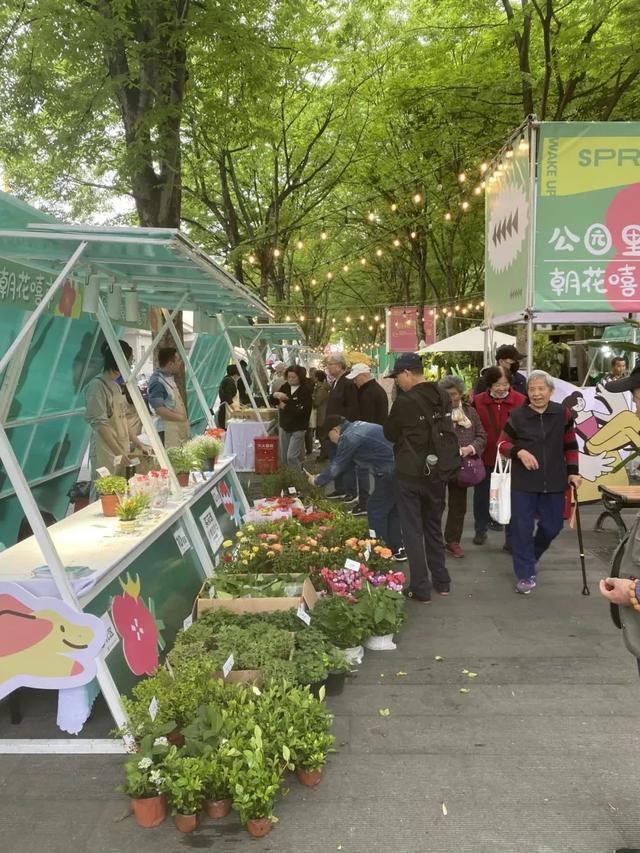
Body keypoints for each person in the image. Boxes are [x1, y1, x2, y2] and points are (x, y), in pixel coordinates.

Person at [499, 370, 581, 594]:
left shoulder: (562, 414)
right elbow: (502, 445)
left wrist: (573, 472)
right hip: (523, 483)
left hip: (554, 480)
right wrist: (519, 452)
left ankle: (531, 555)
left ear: (550, 391)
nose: (536, 394)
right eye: (532, 389)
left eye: (541, 389)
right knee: (522, 529)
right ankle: (525, 574)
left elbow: (571, 446)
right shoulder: (517, 416)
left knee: (552, 526)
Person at [383, 352, 453, 601]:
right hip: (438, 472)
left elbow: (390, 433)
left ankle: (421, 587)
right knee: (433, 527)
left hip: (410, 473)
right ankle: (442, 581)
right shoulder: (443, 395)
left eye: (397, 377)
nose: (397, 382)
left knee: (412, 530)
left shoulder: (405, 401)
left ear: (407, 374)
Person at [308, 415, 404, 559]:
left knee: (375, 508)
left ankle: (379, 552)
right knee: (391, 509)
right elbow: (347, 463)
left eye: (329, 437)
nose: (332, 442)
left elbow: (337, 466)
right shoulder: (358, 425)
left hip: (388, 471)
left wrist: (317, 481)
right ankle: (397, 549)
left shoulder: (349, 436)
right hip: (400, 467)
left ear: (335, 430)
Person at [472, 366, 527, 548]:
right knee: (482, 495)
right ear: (489, 385)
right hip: (485, 457)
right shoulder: (478, 401)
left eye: (505, 384)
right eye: (497, 384)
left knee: (511, 498)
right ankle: (480, 530)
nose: (501, 388)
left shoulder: (521, 401)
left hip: (512, 457)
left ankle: (511, 539)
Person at [84, 340, 148, 483]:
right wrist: (119, 452)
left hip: (120, 450)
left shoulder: (116, 386)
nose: (131, 364)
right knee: (104, 493)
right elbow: (100, 425)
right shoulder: (97, 387)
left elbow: (123, 420)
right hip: (105, 450)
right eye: (130, 360)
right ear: (119, 359)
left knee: (121, 492)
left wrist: (138, 444)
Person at [438, 376, 486, 558]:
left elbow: (482, 436)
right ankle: (433, 540)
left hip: (462, 465)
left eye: (454, 394)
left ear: (461, 394)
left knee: (458, 506)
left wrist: (470, 448)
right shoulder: (436, 413)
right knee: (436, 504)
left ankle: (453, 541)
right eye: (447, 395)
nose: (451, 398)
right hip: (441, 465)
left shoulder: (470, 412)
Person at [346, 363, 389, 516]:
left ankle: (366, 503)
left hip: (370, 439)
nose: (354, 382)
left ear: (364, 375)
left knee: (365, 470)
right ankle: (372, 502)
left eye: (356, 378)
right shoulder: (373, 390)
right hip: (376, 437)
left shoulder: (369, 393)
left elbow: (367, 420)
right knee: (372, 472)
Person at [323, 354, 359, 500]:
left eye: (330, 364)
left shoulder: (348, 382)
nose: (328, 367)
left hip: (342, 428)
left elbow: (351, 408)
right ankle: (340, 487)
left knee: (346, 459)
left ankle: (350, 490)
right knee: (335, 459)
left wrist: (340, 427)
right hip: (332, 427)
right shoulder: (335, 382)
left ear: (339, 365)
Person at [269, 365, 312, 469]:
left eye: (294, 377)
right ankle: (288, 477)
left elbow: (302, 409)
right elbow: (273, 401)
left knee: (291, 456)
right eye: (289, 377)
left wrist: (285, 405)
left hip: (299, 427)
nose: (291, 380)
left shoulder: (305, 390)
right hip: (284, 425)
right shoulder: (285, 387)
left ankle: (297, 477)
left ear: (300, 377)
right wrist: (275, 395)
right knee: (284, 456)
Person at [147, 347, 190, 448]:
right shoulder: (157, 381)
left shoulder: (169, 378)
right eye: (178, 360)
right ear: (170, 364)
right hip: (166, 432)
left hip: (176, 429)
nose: (180, 363)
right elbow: (159, 409)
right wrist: (181, 418)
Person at [312, 369, 330, 457]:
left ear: (317, 378)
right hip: (323, 414)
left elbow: (317, 402)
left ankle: (324, 453)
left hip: (322, 414)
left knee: (322, 435)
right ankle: (325, 452)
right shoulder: (322, 387)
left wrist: (312, 397)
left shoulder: (321, 388)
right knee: (322, 435)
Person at [216, 364, 240, 429]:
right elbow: (227, 396)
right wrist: (235, 408)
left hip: (226, 410)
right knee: (227, 430)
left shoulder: (227, 379)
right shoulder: (229, 381)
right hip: (226, 411)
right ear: (236, 373)